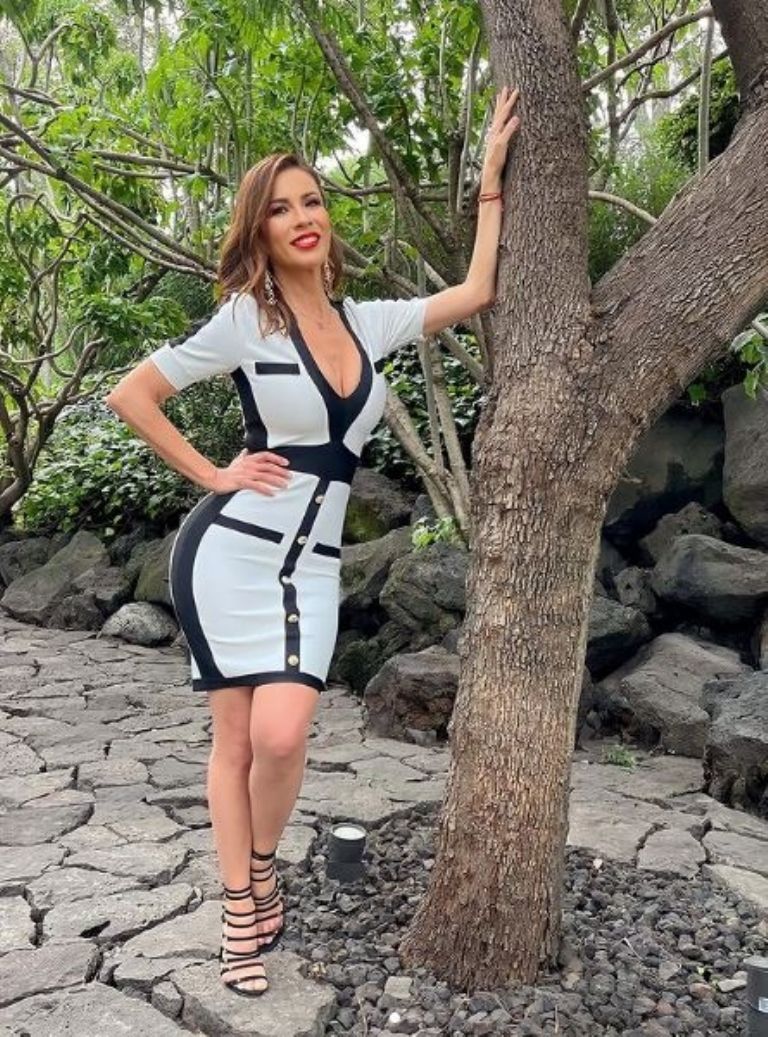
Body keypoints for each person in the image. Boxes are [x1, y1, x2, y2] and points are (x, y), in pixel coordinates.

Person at [105, 85, 520, 998]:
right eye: (280, 209)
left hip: (314, 568)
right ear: (259, 232)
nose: (302, 218)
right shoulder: (245, 324)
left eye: (313, 202)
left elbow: (477, 291)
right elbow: (132, 394)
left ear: (328, 220)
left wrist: (490, 182)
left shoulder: (369, 323)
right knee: (236, 741)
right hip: (230, 553)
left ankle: (260, 866)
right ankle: (240, 906)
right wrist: (214, 473)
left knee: (285, 733)